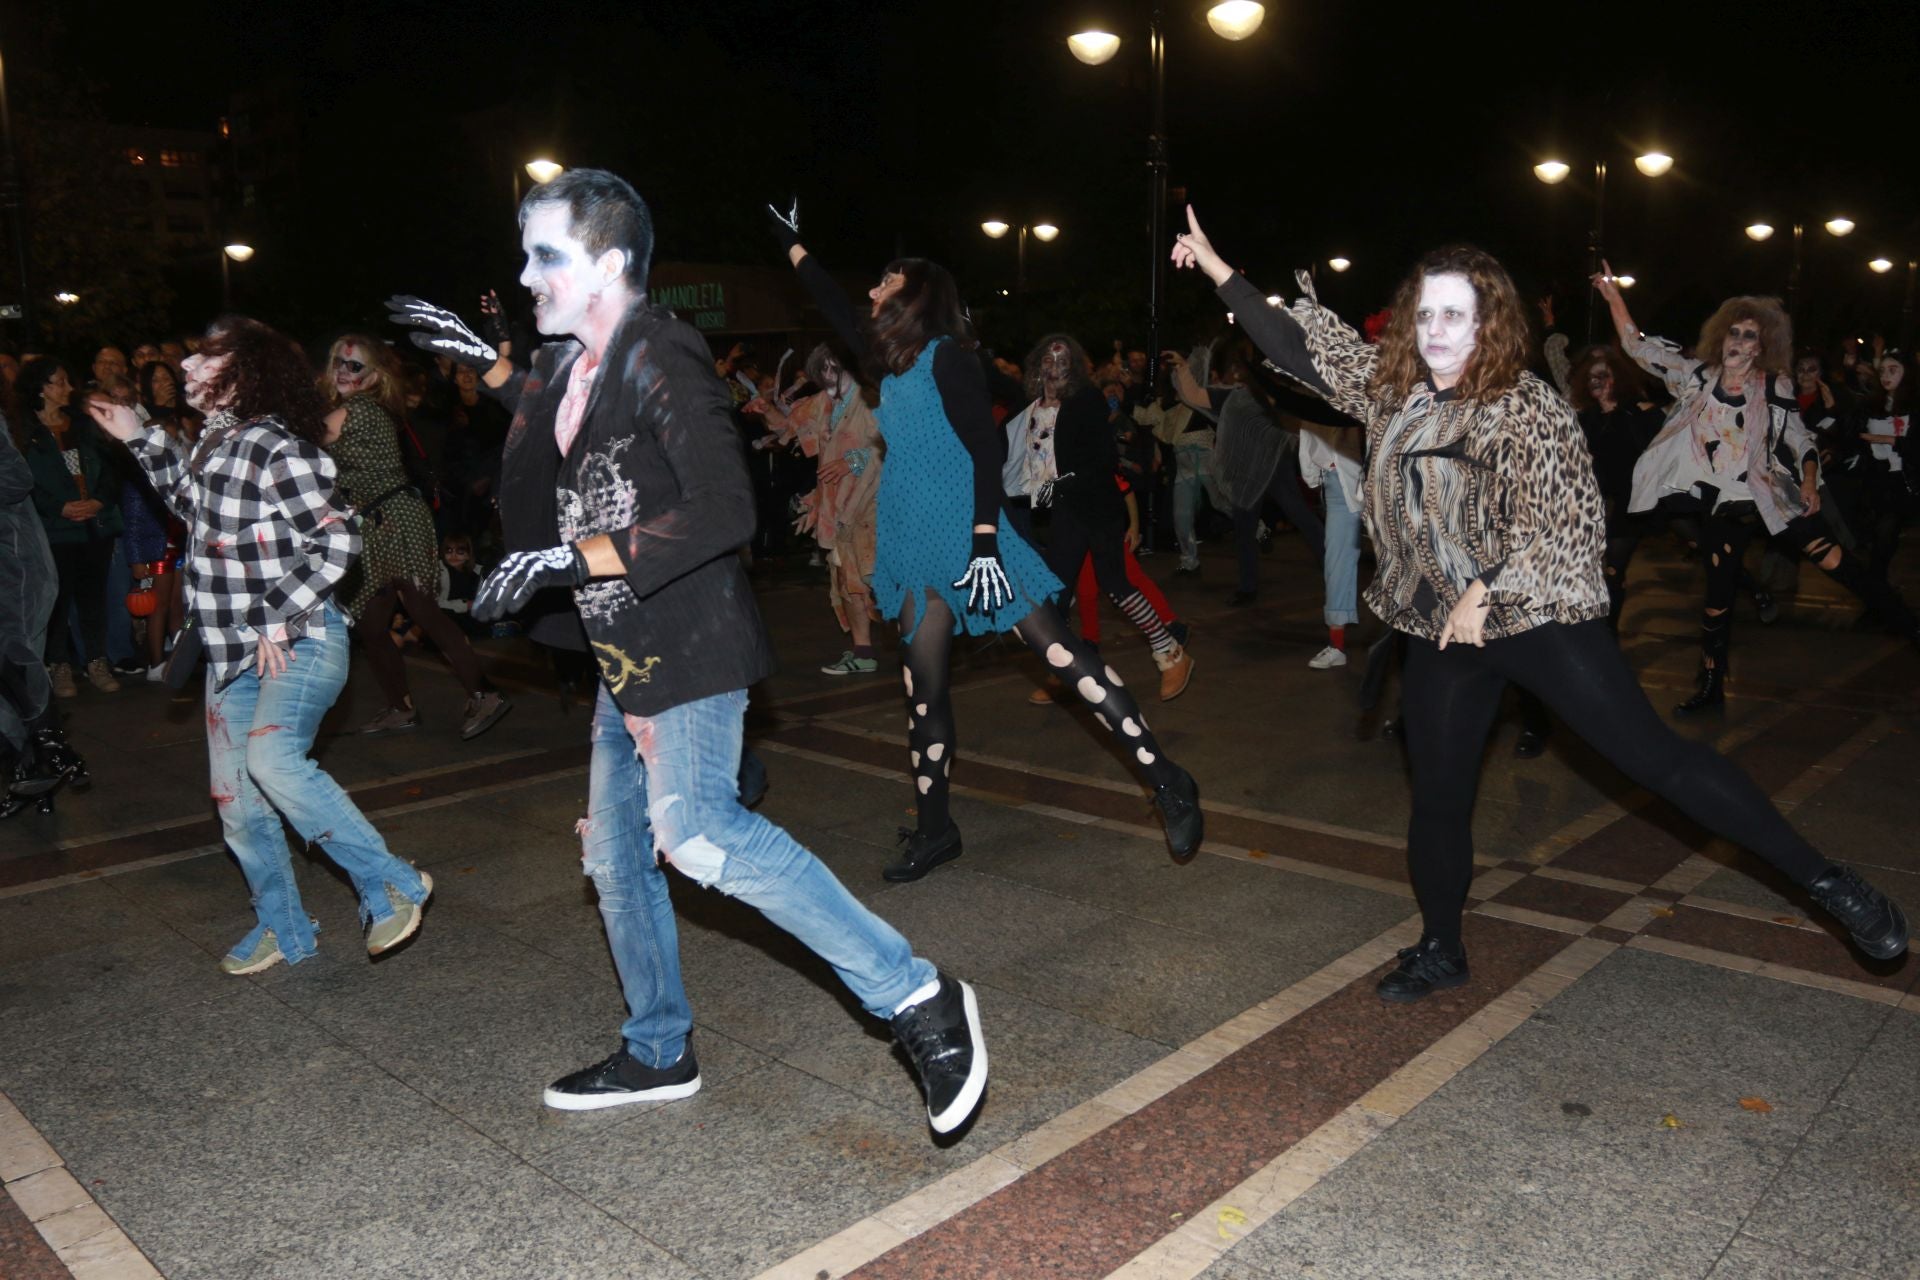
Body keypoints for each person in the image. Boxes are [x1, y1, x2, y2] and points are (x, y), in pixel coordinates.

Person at [1171, 206, 1907, 1001]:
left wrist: (1485, 590)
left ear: (1490, 321)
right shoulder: (1394, 393)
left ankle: (1829, 884)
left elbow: (1568, 520)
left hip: (1537, 614)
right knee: (1440, 795)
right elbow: (1303, 347)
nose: (1438, 331)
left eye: (1456, 314)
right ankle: (1441, 945)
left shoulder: (1525, 404)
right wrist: (1220, 271)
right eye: (1426, 314)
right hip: (1442, 627)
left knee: (1657, 761)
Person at [385, 168, 989, 1136]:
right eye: (526, 254)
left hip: (689, 648)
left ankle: (918, 995)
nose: (528, 274)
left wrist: (565, 555)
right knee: (619, 861)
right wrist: (486, 363)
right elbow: (559, 421)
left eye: (549, 255)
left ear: (611, 262)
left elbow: (722, 506)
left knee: (699, 832)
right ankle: (660, 1045)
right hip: (621, 658)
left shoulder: (658, 350)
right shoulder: (579, 366)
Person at [769, 201, 1204, 878]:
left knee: (1062, 655)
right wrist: (791, 243)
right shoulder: (889, 360)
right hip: (913, 538)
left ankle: (1168, 778)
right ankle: (936, 829)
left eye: (888, 279)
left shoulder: (948, 357)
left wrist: (982, 542)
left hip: (971, 531)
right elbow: (830, 301)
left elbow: (981, 448)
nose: (875, 287)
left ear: (915, 294)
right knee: (923, 691)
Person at [87, 317, 435, 973]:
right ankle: (285, 928)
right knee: (239, 807)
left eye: (205, 360)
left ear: (242, 375)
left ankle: (389, 881)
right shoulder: (220, 442)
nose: (188, 369)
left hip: (297, 638)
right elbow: (193, 509)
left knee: (273, 762)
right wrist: (141, 439)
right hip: (232, 653)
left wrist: (276, 614)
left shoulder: (279, 446)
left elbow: (338, 539)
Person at [1600, 273, 1920, 713]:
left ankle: (1912, 629)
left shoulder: (1772, 386)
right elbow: (1637, 346)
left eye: (1751, 335)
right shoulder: (1696, 377)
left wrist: (1808, 481)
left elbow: (1801, 441)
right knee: (1717, 596)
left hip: (1771, 499)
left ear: (1762, 344)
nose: (1740, 340)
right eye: (1734, 331)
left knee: (1843, 567)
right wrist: (1613, 295)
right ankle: (1711, 687)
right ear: (1722, 335)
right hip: (1724, 505)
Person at [318, 335, 510, 740]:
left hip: (396, 518)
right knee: (371, 625)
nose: (343, 371)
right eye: (338, 362)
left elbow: (306, 440)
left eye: (355, 366)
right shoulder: (355, 410)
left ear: (373, 377)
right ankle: (400, 707)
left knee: (422, 610)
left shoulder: (358, 411)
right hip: (373, 523)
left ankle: (484, 692)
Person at [1015, 335, 1195, 700]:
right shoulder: (1035, 407)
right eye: (1047, 363)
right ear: (1037, 367)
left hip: (1097, 508)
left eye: (1061, 362)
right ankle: (1065, 672)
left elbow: (1102, 462)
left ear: (1074, 368)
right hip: (1067, 510)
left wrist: (1057, 486)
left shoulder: (1085, 400)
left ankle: (1171, 654)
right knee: (1057, 592)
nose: (1054, 369)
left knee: (1116, 584)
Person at [763, 344, 884, 674]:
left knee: (878, 578)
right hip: (838, 506)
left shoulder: (872, 399)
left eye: (834, 368)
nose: (828, 376)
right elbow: (790, 428)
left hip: (872, 505)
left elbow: (890, 444)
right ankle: (863, 653)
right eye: (823, 371)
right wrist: (766, 410)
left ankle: (924, 644)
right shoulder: (824, 403)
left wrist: (854, 461)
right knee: (846, 580)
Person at [17, 359, 124, 697]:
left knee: (94, 597)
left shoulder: (81, 425)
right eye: (59, 382)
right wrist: (58, 506)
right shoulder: (24, 433)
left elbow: (111, 468)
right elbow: (24, 482)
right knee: (57, 601)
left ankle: (97, 660)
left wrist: (98, 501)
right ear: (41, 389)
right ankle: (59, 666)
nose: (67, 388)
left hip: (94, 525)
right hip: (54, 530)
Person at [0, 412, 83, 818]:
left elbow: (16, 479)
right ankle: (34, 769)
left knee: (11, 651)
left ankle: (49, 749)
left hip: (15, 563)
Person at [1565, 344, 1663, 629]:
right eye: (1591, 377)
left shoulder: (1638, 412)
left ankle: (1610, 637)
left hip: (1626, 505)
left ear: (1616, 379)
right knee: (1593, 575)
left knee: (1613, 571)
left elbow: (1664, 444)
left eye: (1603, 376)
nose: (1596, 382)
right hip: (1592, 508)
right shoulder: (1584, 419)